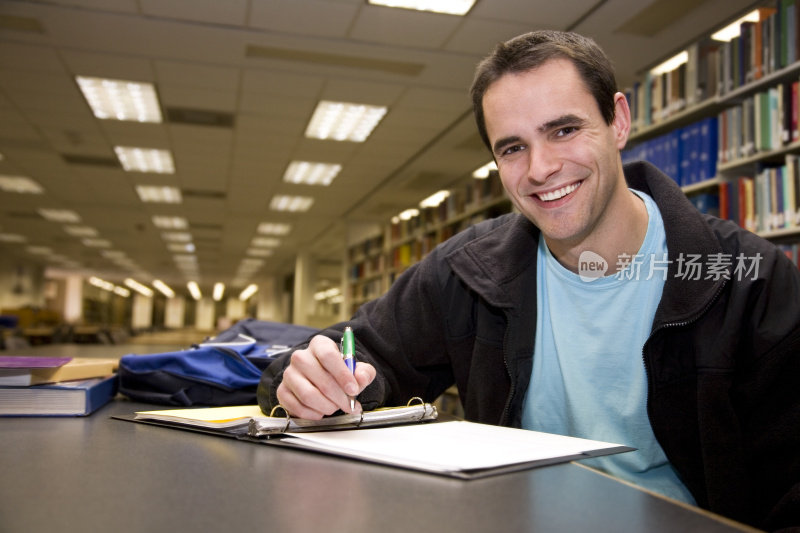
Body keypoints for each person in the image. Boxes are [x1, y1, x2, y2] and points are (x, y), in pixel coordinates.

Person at [258, 30, 800, 530]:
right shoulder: (467, 270)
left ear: (617, 121)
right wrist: (313, 380)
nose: (540, 169)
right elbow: (347, 355)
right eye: (512, 147)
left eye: (563, 130)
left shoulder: (748, 280)